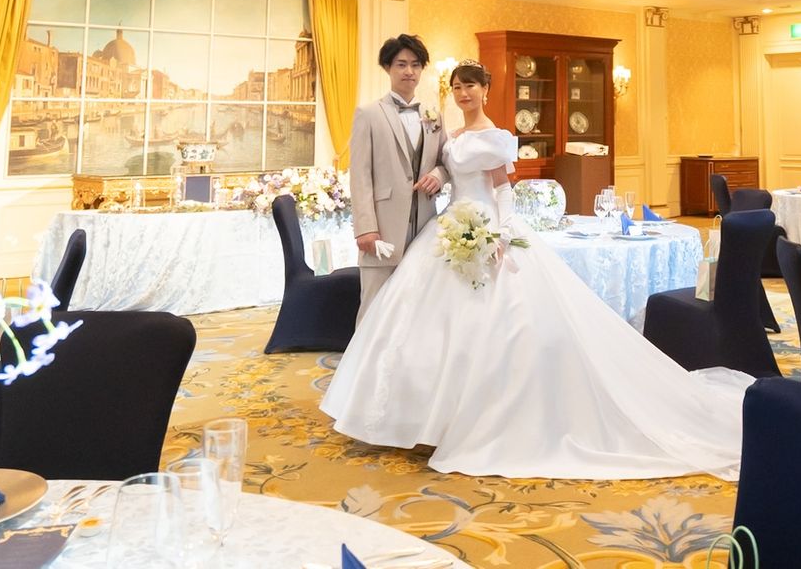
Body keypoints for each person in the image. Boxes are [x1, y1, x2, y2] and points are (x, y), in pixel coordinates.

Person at [322, 59, 753, 479]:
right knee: (423, 323)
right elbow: (446, 171)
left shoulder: (494, 137)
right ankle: (417, 420)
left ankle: (475, 422)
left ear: (485, 90)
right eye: (457, 87)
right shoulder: (450, 134)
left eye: (471, 85)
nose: (464, 93)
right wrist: (439, 174)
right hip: (450, 226)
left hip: (488, 227)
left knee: (499, 325)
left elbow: (503, 190)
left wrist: (501, 232)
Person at [349, 34, 449, 324]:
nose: (409, 71)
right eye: (401, 64)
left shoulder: (434, 116)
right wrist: (366, 228)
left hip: (424, 227)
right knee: (374, 309)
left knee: (418, 308)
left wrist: (439, 175)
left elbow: (446, 161)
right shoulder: (368, 114)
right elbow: (360, 175)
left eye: (416, 65)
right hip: (383, 229)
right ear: (387, 68)